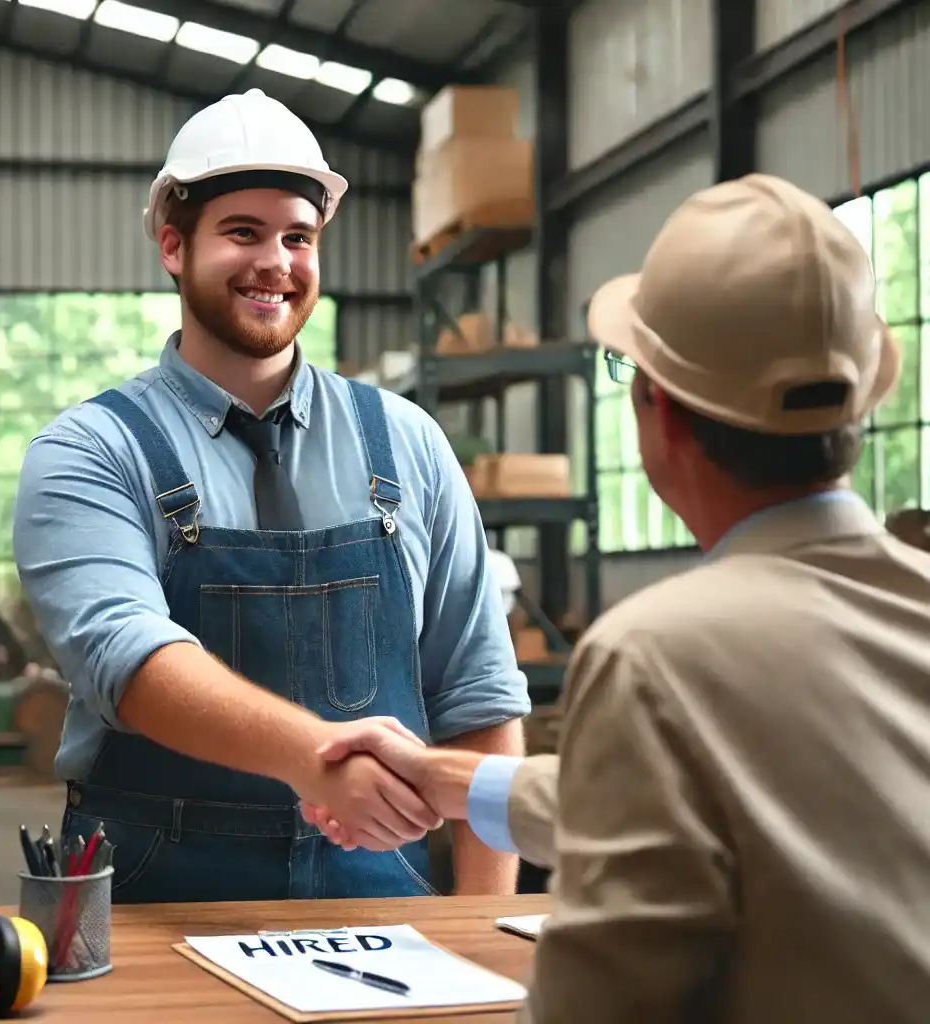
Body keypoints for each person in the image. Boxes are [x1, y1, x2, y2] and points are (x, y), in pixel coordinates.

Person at [301, 173, 930, 1022]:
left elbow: (603, 998)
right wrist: (450, 780)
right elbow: (700, 801)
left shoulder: (657, 657)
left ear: (657, 408)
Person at [11, 88, 530, 904]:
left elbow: (476, 694)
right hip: (157, 887)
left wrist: (483, 925)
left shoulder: (409, 444)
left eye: (298, 236)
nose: (276, 263)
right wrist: (321, 760)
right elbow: (131, 660)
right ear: (174, 247)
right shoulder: (90, 452)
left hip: (376, 885)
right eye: (243, 233)